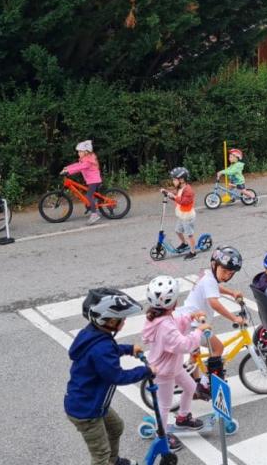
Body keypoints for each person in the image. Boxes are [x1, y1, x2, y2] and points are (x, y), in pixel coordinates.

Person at [65, 288, 148, 463]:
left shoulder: (94, 335)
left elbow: (109, 351)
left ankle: (114, 460)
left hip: (91, 402)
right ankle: (108, 460)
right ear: (108, 320)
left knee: (116, 427)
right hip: (87, 411)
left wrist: (128, 349)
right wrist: (146, 371)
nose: (124, 322)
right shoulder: (101, 347)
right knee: (100, 455)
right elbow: (117, 376)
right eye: (121, 319)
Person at [141, 276, 210, 449]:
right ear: (173, 302)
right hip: (163, 371)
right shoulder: (164, 325)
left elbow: (176, 323)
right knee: (164, 406)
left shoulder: (161, 316)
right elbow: (183, 344)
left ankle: (183, 418)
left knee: (191, 388)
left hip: (174, 366)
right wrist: (199, 331)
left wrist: (191, 317)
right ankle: (162, 436)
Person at [176, 246, 245, 397]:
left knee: (195, 355)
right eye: (224, 271)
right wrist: (234, 318)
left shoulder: (208, 276)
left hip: (188, 320)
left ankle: (192, 384)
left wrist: (232, 292)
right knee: (218, 348)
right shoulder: (209, 281)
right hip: (194, 323)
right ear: (214, 265)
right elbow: (214, 302)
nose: (226, 276)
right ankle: (207, 385)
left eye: (230, 273)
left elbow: (215, 288)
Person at [61, 140, 103, 225]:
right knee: (88, 195)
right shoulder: (85, 159)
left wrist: (68, 171)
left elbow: (79, 168)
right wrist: (67, 168)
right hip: (91, 180)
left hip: (94, 181)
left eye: (80, 151)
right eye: (78, 151)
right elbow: (77, 165)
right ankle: (91, 206)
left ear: (86, 152)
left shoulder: (88, 161)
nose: (78, 153)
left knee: (88, 196)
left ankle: (94, 214)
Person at [162, 167, 198, 260]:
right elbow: (175, 195)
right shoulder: (179, 188)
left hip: (188, 217)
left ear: (181, 180)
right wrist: (167, 193)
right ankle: (184, 244)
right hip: (181, 216)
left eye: (174, 179)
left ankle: (193, 252)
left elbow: (183, 201)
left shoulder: (188, 190)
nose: (173, 181)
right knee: (178, 231)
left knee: (189, 235)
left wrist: (173, 197)